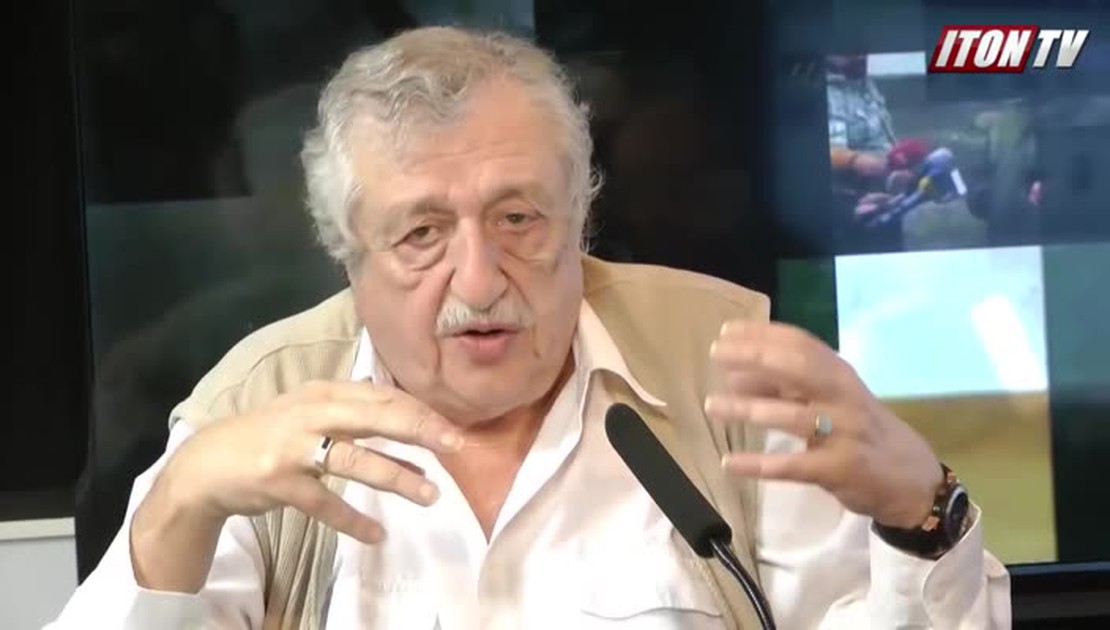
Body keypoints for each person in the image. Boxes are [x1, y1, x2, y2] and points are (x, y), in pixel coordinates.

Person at [49, 26, 1010, 628]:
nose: (479, 280)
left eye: (519, 219)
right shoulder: (255, 404)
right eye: (421, 234)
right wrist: (177, 508)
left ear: (580, 218)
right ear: (348, 257)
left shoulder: (727, 363)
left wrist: (920, 515)